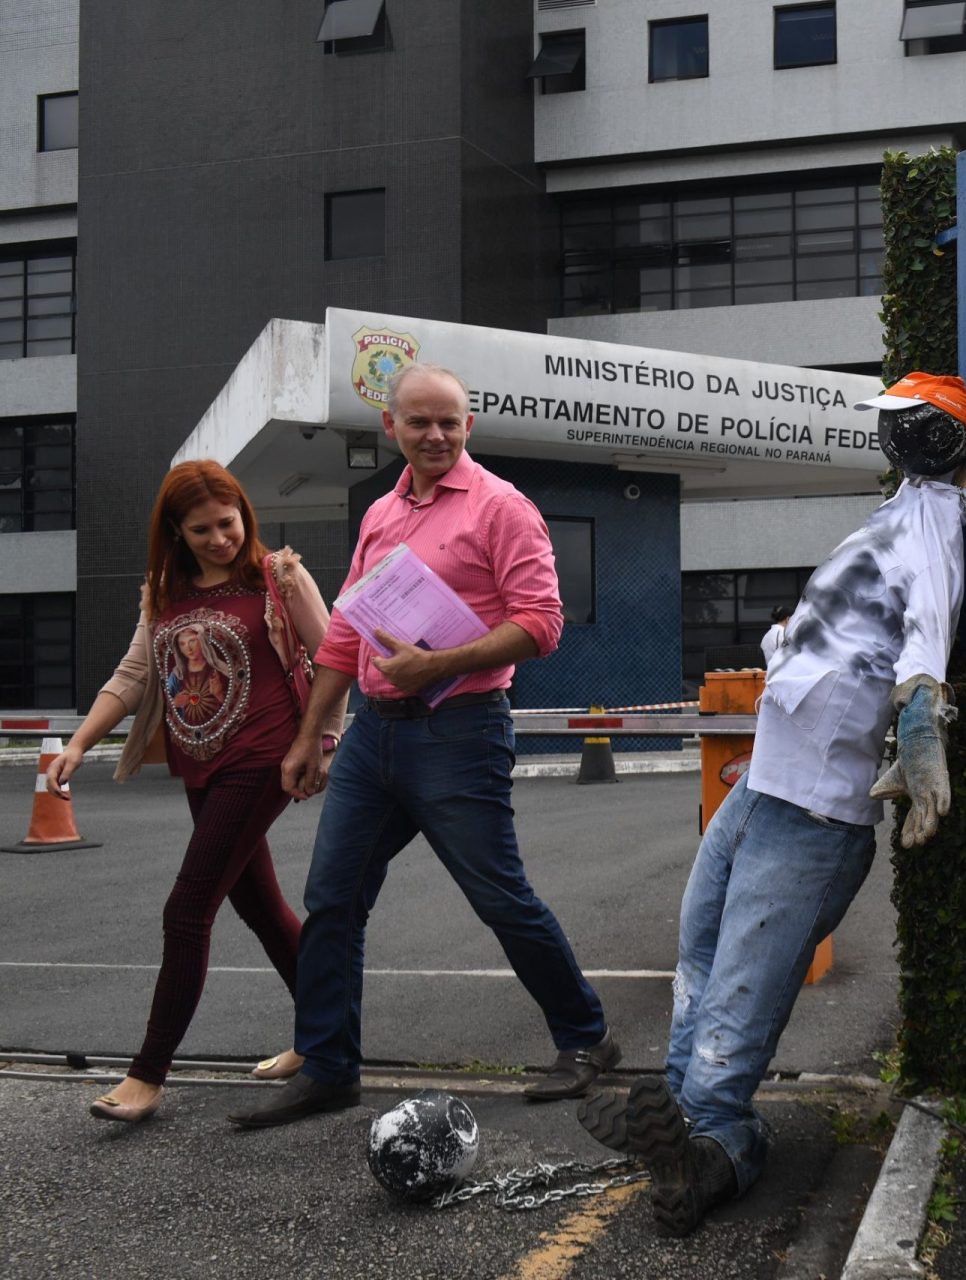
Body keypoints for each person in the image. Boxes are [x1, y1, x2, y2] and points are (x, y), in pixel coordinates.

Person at [576, 372, 966, 1235]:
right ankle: (676, 1121)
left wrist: (920, 720)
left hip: (816, 812)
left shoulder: (939, 519)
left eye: (911, 427)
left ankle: (715, 1146)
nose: (896, 438)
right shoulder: (904, 508)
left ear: (934, 442)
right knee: (696, 958)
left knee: (735, 1002)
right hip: (766, 785)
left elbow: (929, 632)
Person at [231, 362, 620, 1128]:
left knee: (499, 898)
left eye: (450, 421)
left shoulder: (503, 508)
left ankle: (586, 1038)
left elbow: (541, 623)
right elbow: (345, 631)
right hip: (373, 735)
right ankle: (331, 1067)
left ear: (468, 426)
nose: (436, 434)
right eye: (420, 422)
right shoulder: (380, 515)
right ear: (393, 429)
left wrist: (437, 664)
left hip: (460, 730)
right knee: (333, 898)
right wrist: (313, 735)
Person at [48, 460, 341, 1123]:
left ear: (246, 513)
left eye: (229, 523)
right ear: (176, 532)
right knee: (261, 907)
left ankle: (147, 1074)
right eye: (202, 529)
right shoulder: (164, 591)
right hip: (200, 764)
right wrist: (79, 743)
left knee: (186, 911)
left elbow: (335, 657)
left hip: (262, 759)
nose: (220, 539)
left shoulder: (280, 576)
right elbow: (133, 673)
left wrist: (318, 742)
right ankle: (326, 1036)